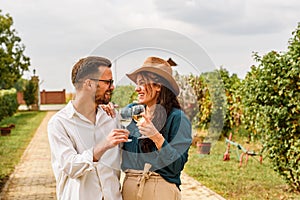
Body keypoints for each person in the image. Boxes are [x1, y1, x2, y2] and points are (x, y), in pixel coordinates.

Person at [47, 56, 129, 200]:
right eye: (108, 82)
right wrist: (103, 146)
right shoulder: (59, 123)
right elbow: (71, 167)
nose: (112, 87)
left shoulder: (111, 117)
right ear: (89, 84)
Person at [121, 56, 192, 200]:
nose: (137, 89)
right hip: (129, 189)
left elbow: (176, 166)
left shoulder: (177, 118)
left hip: (160, 191)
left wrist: (156, 137)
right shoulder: (134, 114)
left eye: (142, 83)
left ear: (158, 86)